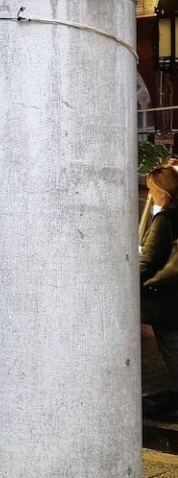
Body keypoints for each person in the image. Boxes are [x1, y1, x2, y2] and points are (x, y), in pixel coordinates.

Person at [141, 166, 178, 419]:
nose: (152, 195)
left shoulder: (164, 219)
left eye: (153, 190)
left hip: (166, 297)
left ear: (164, 192)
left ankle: (175, 401)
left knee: (172, 349)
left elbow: (149, 260)